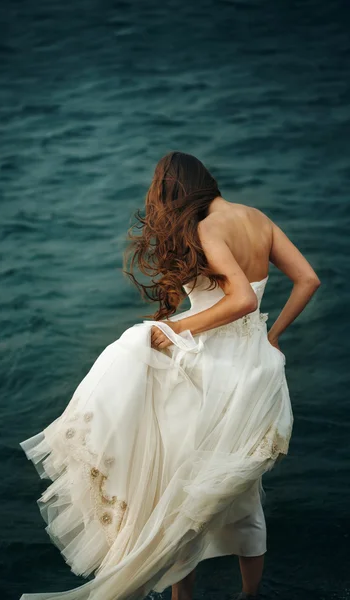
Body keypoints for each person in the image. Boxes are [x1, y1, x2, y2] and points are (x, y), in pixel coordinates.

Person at [19, 151, 320, 600]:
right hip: (257, 370)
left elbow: (241, 300)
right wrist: (273, 337)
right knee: (240, 489)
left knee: (180, 489)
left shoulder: (206, 228)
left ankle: (182, 598)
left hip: (214, 370)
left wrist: (177, 327)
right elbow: (308, 280)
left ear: (174, 192)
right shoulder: (257, 218)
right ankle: (250, 595)